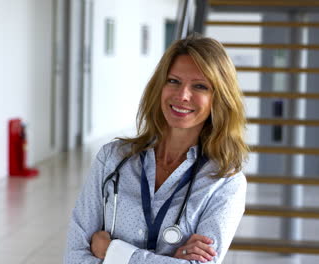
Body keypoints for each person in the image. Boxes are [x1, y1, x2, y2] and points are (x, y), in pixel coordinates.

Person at [64, 34, 249, 264]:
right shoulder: (112, 159)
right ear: (159, 86)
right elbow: (74, 256)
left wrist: (114, 252)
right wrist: (170, 259)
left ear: (218, 99)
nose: (183, 95)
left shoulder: (225, 182)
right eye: (173, 81)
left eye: (200, 86)